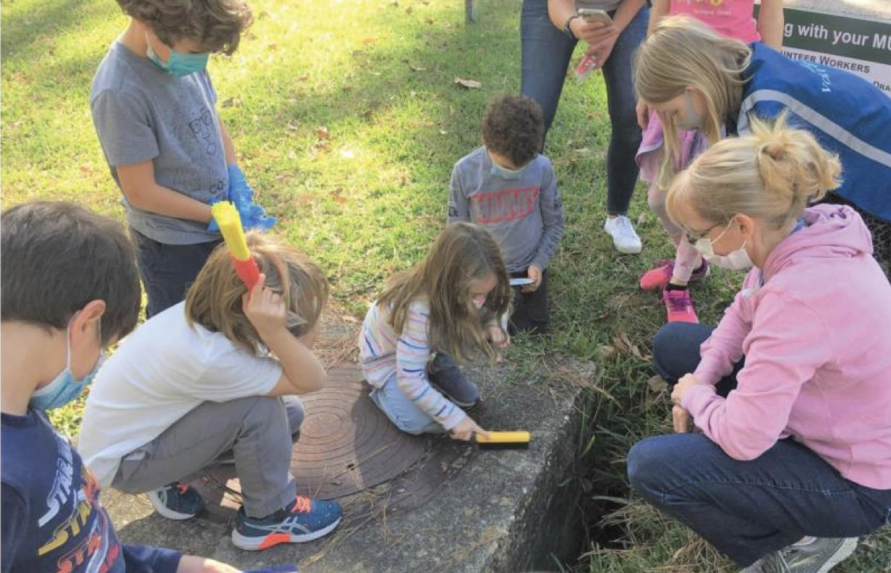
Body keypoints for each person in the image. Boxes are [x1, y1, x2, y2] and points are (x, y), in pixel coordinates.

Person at [627, 120, 891, 572]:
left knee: (651, 467)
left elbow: (744, 437)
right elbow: (742, 309)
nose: (696, 245)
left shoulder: (799, 299)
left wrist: (694, 396)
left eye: (697, 233)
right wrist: (704, 373)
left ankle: (796, 543)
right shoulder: (802, 234)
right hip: (843, 424)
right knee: (676, 344)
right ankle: (789, 490)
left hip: (859, 483)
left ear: (741, 224)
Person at [1, 201, 241, 573]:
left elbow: (79, 546)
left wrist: (173, 564)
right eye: (105, 346)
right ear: (87, 322)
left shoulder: (26, 412)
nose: (98, 362)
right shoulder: (7, 480)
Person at [633, 15, 891, 296]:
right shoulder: (743, 68)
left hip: (889, 169)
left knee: (854, 282)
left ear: (695, 88)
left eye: (671, 112)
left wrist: (734, 251)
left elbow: (775, 217)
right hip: (856, 159)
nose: (673, 123)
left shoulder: (764, 110)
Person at [79, 234, 341, 551]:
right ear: (250, 310)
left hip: (139, 439)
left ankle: (170, 476)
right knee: (260, 408)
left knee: (289, 414)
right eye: (292, 319)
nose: (295, 326)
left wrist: (276, 327)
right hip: (130, 464)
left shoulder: (209, 318)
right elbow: (310, 378)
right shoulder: (211, 358)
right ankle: (268, 517)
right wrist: (276, 330)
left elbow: (296, 376)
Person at [90, 0, 273, 319]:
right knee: (183, 325)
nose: (200, 61)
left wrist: (233, 174)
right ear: (147, 19)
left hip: (214, 225)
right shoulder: (120, 91)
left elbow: (211, 116)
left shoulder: (181, 54)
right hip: (171, 246)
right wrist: (213, 215)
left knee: (224, 315)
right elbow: (141, 191)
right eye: (195, 51)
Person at [636, 0, 794, 324]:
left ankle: (680, 283)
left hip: (726, 87)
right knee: (659, 197)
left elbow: (773, 17)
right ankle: (694, 255)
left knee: (700, 195)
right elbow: (661, 10)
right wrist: (648, 90)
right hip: (675, 87)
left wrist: (771, 88)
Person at [521, 0, 676, 255]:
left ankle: (617, 214)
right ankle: (525, 217)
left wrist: (614, 31)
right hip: (555, 2)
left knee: (631, 112)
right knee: (535, 111)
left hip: (626, 4)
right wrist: (578, 25)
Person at [360, 222, 511, 440]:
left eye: (485, 293)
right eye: (473, 295)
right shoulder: (419, 309)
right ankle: (384, 394)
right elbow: (409, 379)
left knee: (467, 398)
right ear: (449, 281)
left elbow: (496, 306)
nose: (480, 302)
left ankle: (437, 366)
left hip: (424, 347)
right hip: (388, 362)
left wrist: (493, 325)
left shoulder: (466, 290)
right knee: (417, 422)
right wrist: (454, 418)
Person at [448, 94, 565, 335]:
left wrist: (538, 263)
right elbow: (456, 231)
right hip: (482, 267)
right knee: (469, 327)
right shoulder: (465, 171)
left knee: (531, 329)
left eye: (521, 168)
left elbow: (554, 223)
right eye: (506, 168)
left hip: (526, 270)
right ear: (486, 142)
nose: (513, 174)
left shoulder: (542, 168)